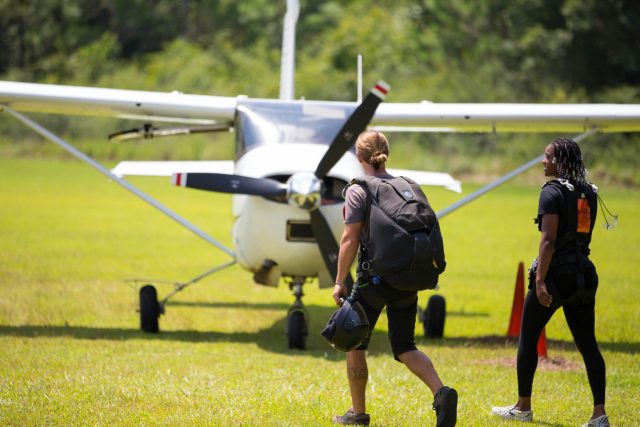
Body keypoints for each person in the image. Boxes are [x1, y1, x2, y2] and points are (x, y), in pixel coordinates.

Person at [331, 130, 457, 426]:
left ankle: (357, 413)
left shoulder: (358, 189)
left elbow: (350, 238)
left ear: (359, 157)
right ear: (386, 153)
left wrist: (339, 280)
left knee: (354, 343)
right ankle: (441, 391)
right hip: (407, 277)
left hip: (374, 280)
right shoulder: (408, 186)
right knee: (405, 346)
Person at [492, 138, 609, 426]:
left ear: (560, 162)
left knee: (528, 337)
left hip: (558, 275)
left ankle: (523, 408)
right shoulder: (589, 192)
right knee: (589, 346)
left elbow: (548, 241)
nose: (543, 161)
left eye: (547, 157)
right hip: (584, 273)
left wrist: (541, 281)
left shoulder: (551, 192)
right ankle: (599, 414)